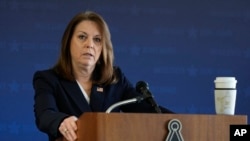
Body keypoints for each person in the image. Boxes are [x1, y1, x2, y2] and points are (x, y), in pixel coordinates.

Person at [33, 11, 173, 141]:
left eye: (97, 40)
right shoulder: (48, 79)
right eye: (82, 37)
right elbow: (45, 114)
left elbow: (149, 111)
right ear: (68, 42)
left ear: (103, 48)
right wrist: (61, 121)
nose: (89, 45)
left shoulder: (115, 80)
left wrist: (179, 121)